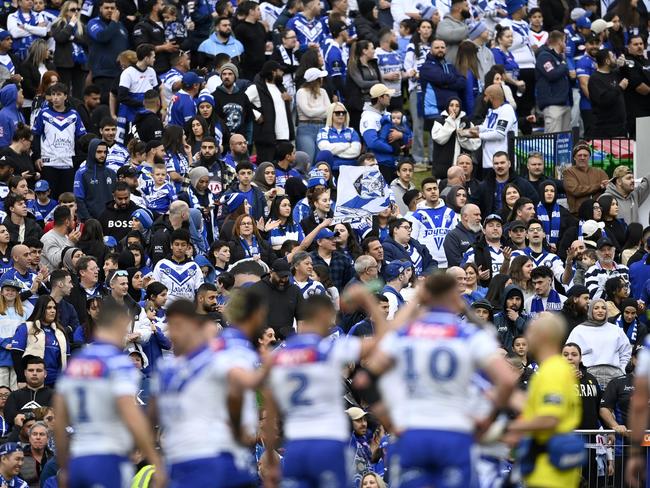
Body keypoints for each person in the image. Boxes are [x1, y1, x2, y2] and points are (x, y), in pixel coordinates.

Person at [364, 272, 516, 487]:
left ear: (425, 297)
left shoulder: (404, 334)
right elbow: (507, 381)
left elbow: (365, 379)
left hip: (413, 432)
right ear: (456, 298)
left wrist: (389, 421)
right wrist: (487, 420)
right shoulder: (469, 334)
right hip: (454, 432)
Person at [265, 291, 386, 487]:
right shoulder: (330, 349)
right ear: (323, 314)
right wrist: (369, 302)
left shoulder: (276, 358)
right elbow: (382, 338)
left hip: (296, 445)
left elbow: (270, 417)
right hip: (327, 443)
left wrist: (270, 460)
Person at [151, 293, 267, 486]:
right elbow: (238, 384)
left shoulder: (173, 367)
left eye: (175, 327)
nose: (172, 334)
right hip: (205, 457)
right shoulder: (228, 350)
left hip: (197, 459)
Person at [53, 301, 165, 487]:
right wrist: (155, 459)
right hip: (108, 457)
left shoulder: (74, 364)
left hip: (78, 458)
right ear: (121, 322)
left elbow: (59, 422)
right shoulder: (118, 363)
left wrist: (65, 466)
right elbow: (131, 415)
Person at [504, 313, 581, 488]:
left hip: (549, 474)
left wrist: (506, 427)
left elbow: (549, 419)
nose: (527, 335)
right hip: (545, 470)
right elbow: (539, 410)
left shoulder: (552, 372)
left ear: (543, 336)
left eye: (530, 331)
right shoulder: (554, 369)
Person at [31, 82, 87, 199]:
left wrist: (78, 159)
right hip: (48, 164)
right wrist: (37, 156)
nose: (55, 98)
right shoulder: (44, 113)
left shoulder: (74, 115)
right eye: (53, 94)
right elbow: (35, 136)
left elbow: (82, 138)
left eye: (59, 94)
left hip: (68, 164)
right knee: (49, 198)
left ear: (65, 96)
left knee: (67, 199)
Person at [246, 60, 294, 163]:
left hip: (284, 137)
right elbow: (242, 101)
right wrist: (256, 114)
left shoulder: (280, 88)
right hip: (266, 139)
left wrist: (289, 100)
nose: (282, 74)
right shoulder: (256, 87)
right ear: (273, 72)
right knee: (267, 168)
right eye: (280, 71)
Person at [470, 151, 538, 215]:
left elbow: (535, 202)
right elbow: (473, 205)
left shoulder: (522, 184)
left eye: (502, 163)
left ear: (509, 164)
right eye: (496, 163)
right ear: (493, 166)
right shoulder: (483, 186)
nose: (499, 166)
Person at [430, 97, 480, 179]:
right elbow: (439, 139)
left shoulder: (467, 122)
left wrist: (463, 137)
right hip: (443, 168)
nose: (454, 108)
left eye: (457, 106)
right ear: (447, 107)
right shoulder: (439, 122)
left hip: (463, 168)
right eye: (451, 105)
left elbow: (475, 144)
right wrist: (449, 123)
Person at [412, 177, 457, 269]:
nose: (433, 191)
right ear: (423, 194)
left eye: (435, 188)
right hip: (428, 264)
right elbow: (413, 240)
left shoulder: (450, 213)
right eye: (429, 189)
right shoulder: (417, 216)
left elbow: (456, 238)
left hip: (449, 263)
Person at [151, 229, 204, 306]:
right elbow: (155, 291)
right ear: (171, 245)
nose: (180, 248)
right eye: (176, 244)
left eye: (183, 245)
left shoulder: (194, 267)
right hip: (165, 313)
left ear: (188, 247)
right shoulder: (161, 265)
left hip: (188, 312)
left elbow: (200, 293)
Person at [419, 39, 466, 124]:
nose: (440, 49)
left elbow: (462, 82)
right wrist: (452, 80)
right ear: (430, 50)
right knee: (438, 137)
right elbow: (441, 78)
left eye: (442, 47)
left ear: (446, 49)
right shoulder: (426, 67)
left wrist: (445, 85)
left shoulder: (450, 65)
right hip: (434, 111)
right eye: (436, 47)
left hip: (451, 111)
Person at [535, 30, 572, 132]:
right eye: (565, 41)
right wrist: (564, 64)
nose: (565, 45)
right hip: (552, 104)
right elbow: (552, 75)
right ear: (560, 42)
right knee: (552, 142)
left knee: (565, 142)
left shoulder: (559, 58)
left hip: (564, 102)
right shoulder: (544, 56)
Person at [588, 48, 628, 138]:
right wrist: (620, 87)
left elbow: (627, 75)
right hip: (605, 129)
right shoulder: (595, 79)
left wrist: (623, 66)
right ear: (607, 61)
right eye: (613, 57)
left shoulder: (614, 73)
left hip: (620, 126)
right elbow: (604, 100)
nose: (615, 59)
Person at [563, 142, 610, 216]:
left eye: (585, 155)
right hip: (578, 215)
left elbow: (609, 190)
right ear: (574, 157)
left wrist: (605, 186)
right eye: (579, 155)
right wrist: (598, 186)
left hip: (599, 215)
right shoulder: (569, 172)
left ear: (589, 157)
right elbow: (575, 190)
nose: (582, 158)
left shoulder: (600, 172)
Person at [443, 203, 482, 268]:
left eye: (480, 215)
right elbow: (455, 263)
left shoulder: (482, 234)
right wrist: (476, 272)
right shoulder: (452, 236)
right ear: (465, 217)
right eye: (476, 215)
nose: (480, 218)